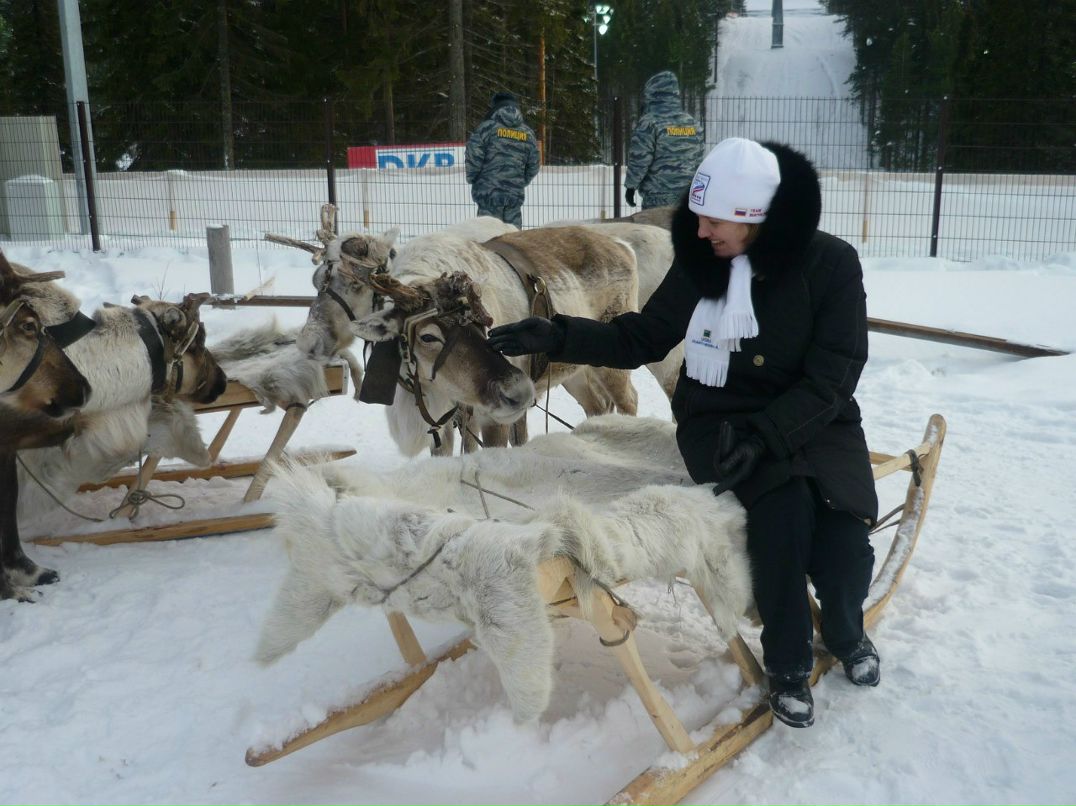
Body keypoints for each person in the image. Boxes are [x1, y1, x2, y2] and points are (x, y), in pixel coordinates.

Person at [487, 137, 881, 729]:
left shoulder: (831, 264)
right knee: (783, 516)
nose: (700, 232)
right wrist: (561, 335)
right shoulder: (703, 258)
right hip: (721, 422)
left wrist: (768, 435)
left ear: (754, 217)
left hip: (815, 418)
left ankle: (848, 631)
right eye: (698, 218)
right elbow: (642, 338)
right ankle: (789, 663)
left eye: (713, 220)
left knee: (844, 537)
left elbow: (835, 375)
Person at [624, 70, 705, 210]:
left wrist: (631, 186)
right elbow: (699, 160)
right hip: (687, 199)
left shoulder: (649, 123)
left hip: (657, 198)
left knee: (657, 225)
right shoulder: (692, 123)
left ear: (652, 94)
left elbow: (640, 159)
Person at [464, 92, 541, 228]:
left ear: (495, 106)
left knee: (489, 237)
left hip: (488, 195)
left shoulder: (486, 129)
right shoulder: (528, 133)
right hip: (514, 195)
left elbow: (473, 157)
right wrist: (519, 182)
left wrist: (473, 179)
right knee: (513, 238)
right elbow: (534, 164)